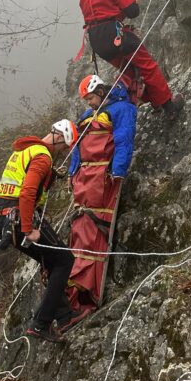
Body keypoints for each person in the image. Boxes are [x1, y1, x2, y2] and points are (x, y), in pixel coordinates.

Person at [0, 119, 79, 341]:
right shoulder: (42, 157)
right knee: (65, 259)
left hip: (4, 217)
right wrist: (29, 230)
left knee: (51, 259)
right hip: (20, 218)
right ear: (59, 138)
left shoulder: (27, 150)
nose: (62, 152)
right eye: (64, 147)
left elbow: (13, 185)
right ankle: (41, 323)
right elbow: (27, 192)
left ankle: (64, 314)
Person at [60, 74, 138, 325]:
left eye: (92, 98)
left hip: (103, 176)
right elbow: (78, 148)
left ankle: (88, 289)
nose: (90, 103)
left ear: (101, 90)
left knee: (95, 229)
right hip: (84, 178)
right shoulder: (86, 116)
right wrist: (73, 172)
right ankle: (73, 285)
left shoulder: (122, 109)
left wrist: (119, 170)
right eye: (87, 99)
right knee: (81, 227)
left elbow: (124, 139)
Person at [78, 0, 184, 120]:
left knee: (130, 72)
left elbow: (97, 15)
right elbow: (133, 11)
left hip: (97, 43)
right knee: (147, 67)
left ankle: (155, 102)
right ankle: (169, 107)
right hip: (115, 35)